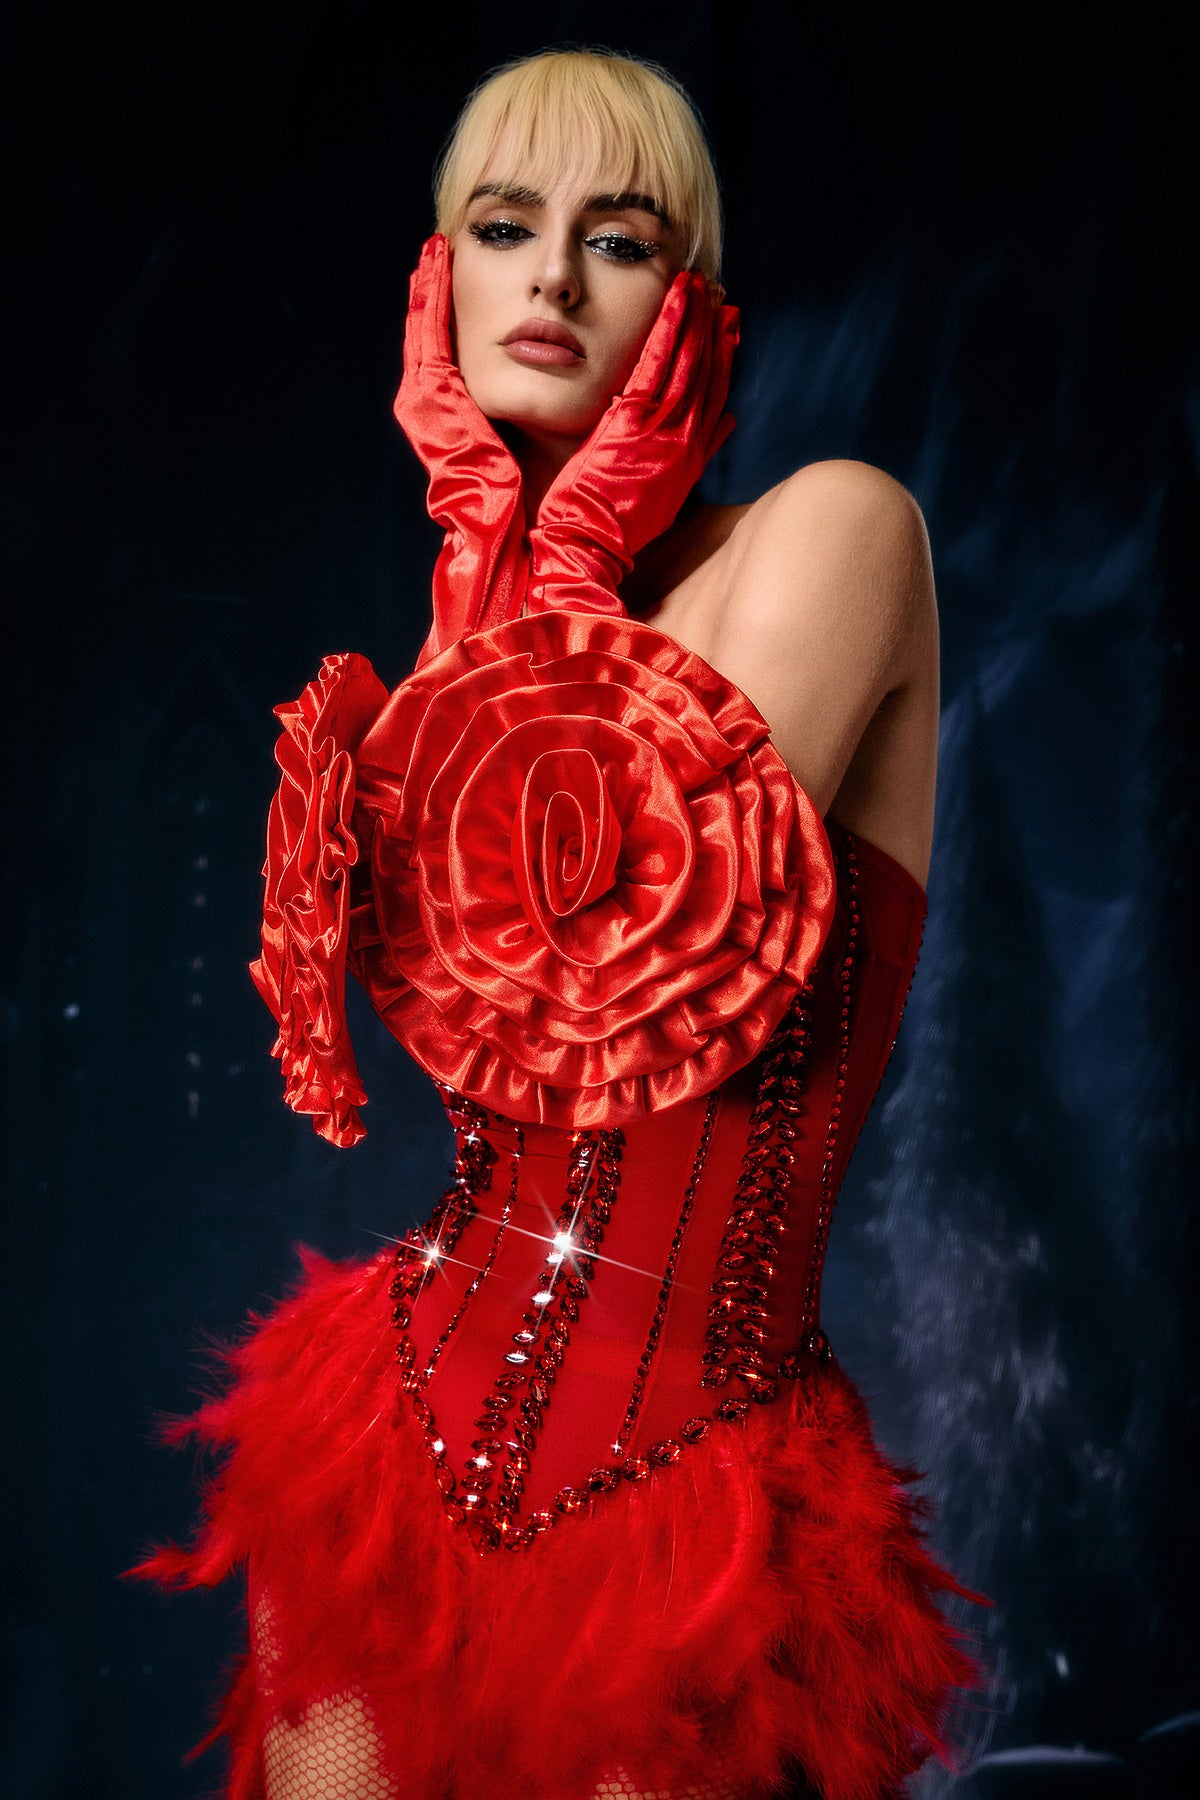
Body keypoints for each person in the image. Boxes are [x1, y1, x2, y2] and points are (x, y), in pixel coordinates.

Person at [136, 47, 990, 1800]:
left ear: (689, 308)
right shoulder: (478, 633)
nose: (551, 280)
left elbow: (609, 973)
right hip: (386, 1444)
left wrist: (563, 543)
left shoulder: (832, 535)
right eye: (504, 227)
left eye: (618, 239)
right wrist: (503, 553)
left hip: (697, 1490)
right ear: (435, 284)